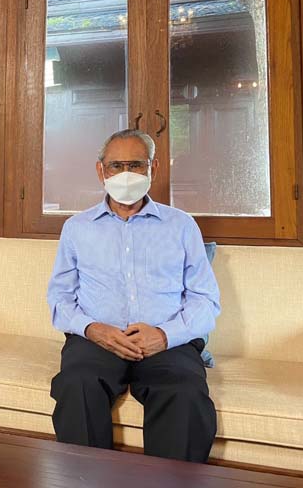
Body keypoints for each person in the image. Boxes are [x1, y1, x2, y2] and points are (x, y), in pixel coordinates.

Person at [47, 128, 220, 463]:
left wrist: (165, 335)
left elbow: (205, 300)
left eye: (136, 165)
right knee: (77, 384)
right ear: (101, 171)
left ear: (153, 168)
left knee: (184, 393)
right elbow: (60, 297)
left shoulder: (182, 226)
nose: (125, 173)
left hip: (166, 343)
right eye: (116, 165)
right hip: (98, 340)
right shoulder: (77, 228)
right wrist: (92, 329)